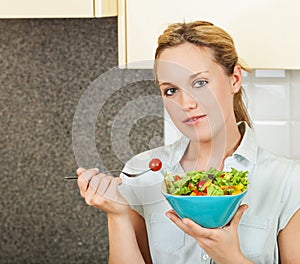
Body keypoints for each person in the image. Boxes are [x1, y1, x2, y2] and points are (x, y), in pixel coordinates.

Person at [76, 21, 300, 263]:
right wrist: (117, 214)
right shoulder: (141, 173)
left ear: (235, 79)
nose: (186, 103)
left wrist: (230, 257)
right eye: (171, 90)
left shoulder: (288, 181)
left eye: (200, 83)